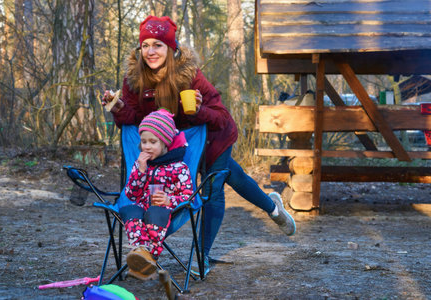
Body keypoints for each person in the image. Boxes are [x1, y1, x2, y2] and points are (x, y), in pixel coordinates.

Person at [103, 15, 296, 276]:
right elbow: (134, 120)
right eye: (145, 45)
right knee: (232, 174)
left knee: (213, 189)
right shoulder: (134, 80)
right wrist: (117, 108)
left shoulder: (190, 77)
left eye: (158, 45)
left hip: (212, 141)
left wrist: (198, 108)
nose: (150, 51)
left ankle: (201, 256)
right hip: (171, 148)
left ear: (171, 48)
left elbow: (221, 118)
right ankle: (273, 207)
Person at [120, 108, 193, 281]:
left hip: (164, 211)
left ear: (165, 143)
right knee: (129, 209)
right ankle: (141, 254)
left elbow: (188, 196)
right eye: (144, 141)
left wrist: (170, 200)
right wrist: (140, 170)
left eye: (153, 142)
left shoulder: (179, 168)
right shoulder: (141, 165)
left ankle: (146, 258)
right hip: (141, 208)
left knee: (155, 212)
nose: (147, 146)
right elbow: (132, 194)